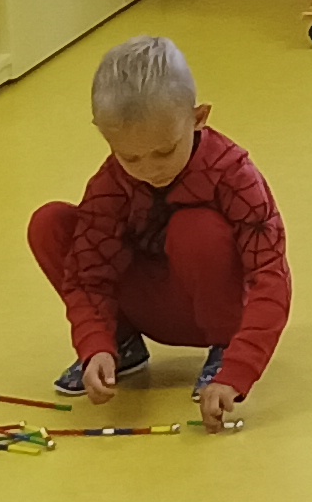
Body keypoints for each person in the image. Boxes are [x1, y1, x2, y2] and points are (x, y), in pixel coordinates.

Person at [28, 35, 289, 426]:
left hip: (216, 311)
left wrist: (238, 368)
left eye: (164, 151)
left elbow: (270, 275)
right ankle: (122, 347)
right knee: (49, 223)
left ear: (199, 118)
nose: (149, 169)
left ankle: (221, 348)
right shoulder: (110, 183)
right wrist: (95, 343)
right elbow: (87, 274)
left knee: (196, 229)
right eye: (130, 156)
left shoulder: (233, 173)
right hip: (151, 304)